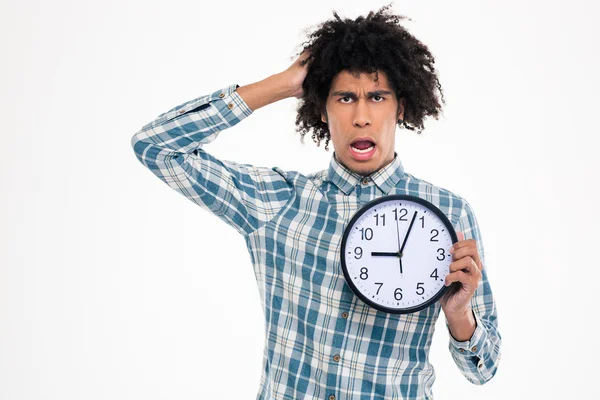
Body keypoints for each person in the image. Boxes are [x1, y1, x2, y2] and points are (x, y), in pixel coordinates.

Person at [130, 4, 501, 399]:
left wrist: (460, 314)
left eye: (377, 97)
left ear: (402, 107)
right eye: (344, 98)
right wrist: (281, 85)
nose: (361, 117)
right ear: (321, 109)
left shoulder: (447, 214)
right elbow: (155, 147)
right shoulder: (276, 202)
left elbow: (484, 370)